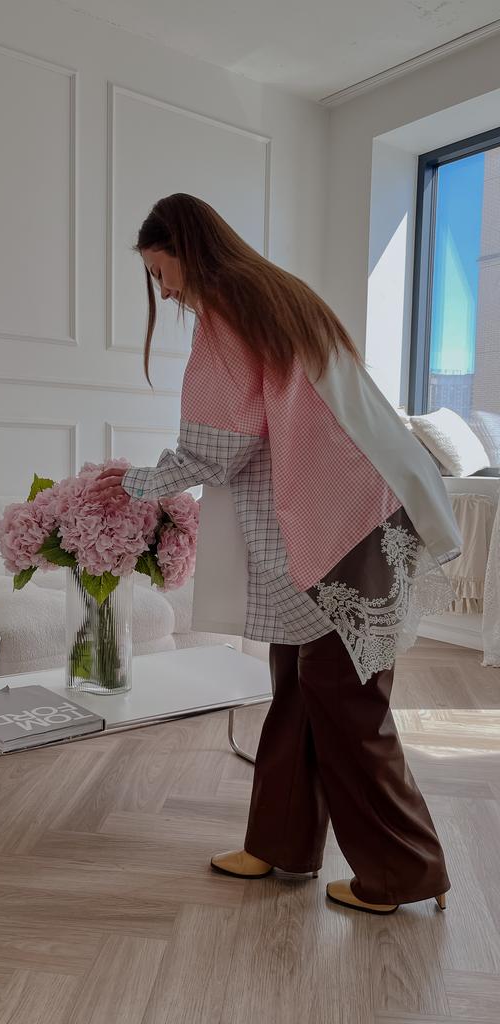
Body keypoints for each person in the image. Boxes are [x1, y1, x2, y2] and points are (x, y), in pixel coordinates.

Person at [97, 193, 462, 915]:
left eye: (159, 270)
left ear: (186, 251)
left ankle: (405, 870)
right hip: (357, 512)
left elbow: (221, 447)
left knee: (345, 701)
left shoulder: (228, 309)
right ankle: (280, 844)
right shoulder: (277, 296)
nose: (162, 291)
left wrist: (137, 483)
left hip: (342, 523)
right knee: (299, 686)